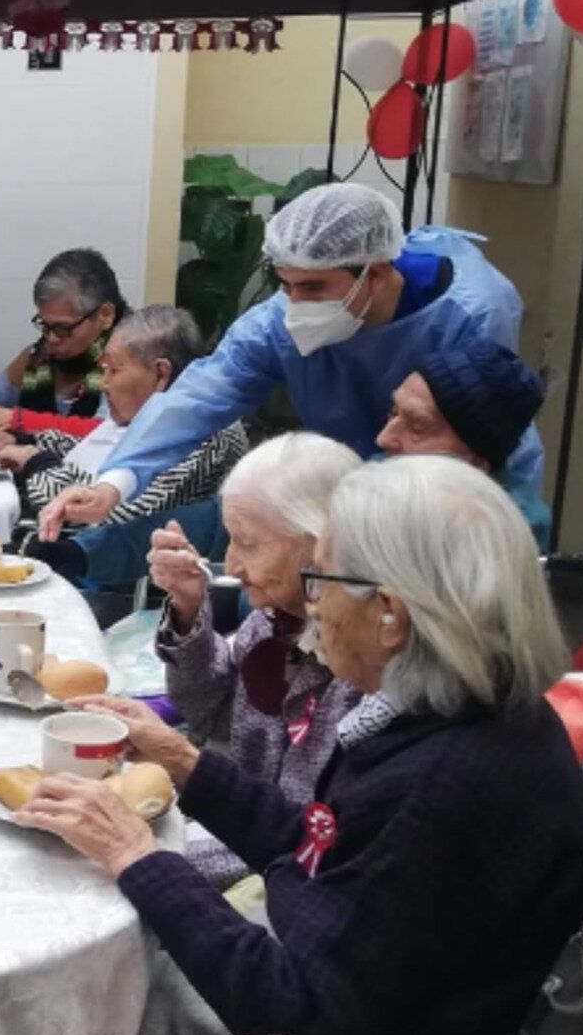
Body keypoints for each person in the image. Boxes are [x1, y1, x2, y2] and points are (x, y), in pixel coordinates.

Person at [20, 458, 583, 1035]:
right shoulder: (465, 706)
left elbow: (296, 1014)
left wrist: (138, 854)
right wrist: (184, 763)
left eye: (320, 582)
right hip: (374, 1021)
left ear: (390, 613)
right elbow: (322, 842)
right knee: (116, 968)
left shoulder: (444, 783)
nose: (311, 607)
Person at [38, 184, 541, 542]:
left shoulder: (471, 314)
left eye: (316, 287)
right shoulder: (281, 321)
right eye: (287, 285)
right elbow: (196, 398)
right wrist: (114, 484)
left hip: (453, 509)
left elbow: (471, 447)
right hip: (349, 506)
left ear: (379, 273)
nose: (297, 304)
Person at [146, 433, 365, 887]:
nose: (231, 564)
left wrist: (150, 860)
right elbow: (207, 710)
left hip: (275, 876)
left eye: (247, 543)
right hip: (224, 826)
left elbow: (299, 842)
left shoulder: (361, 671)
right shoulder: (270, 619)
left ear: (320, 546)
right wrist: (189, 611)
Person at [0, 305, 246, 529]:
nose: (104, 384)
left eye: (114, 370)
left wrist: (36, 462)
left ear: (161, 374)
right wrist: (23, 441)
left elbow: (104, 513)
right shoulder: (147, 411)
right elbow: (98, 449)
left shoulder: (206, 434)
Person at [377, 321, 552, 551]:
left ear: (477, 462)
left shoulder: (507, 531)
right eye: (393, 413)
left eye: (418, 427)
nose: (383, 439)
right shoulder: (382, 470)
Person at [0, 249, 128, 430]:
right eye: (45, 325)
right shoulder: (36, 358)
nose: (50, 338)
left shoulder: (130, 361)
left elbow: (106, 434)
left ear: (105, 315)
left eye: (62, 328)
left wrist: (19, 421)